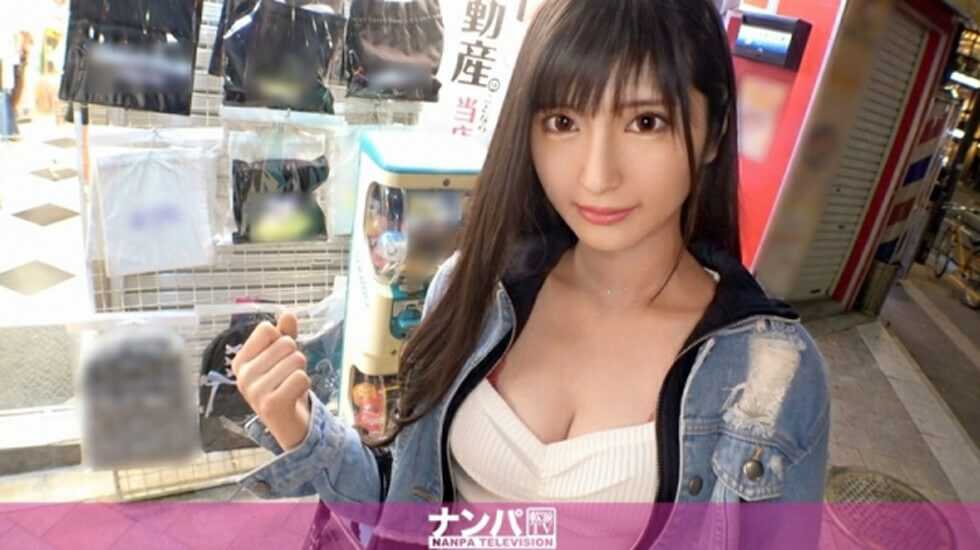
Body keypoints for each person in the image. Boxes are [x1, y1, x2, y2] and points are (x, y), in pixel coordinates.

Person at [232, 0, 830, 548]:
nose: (597, 175)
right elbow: (407, 511)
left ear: (713, 133)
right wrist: (299, 423)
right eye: (563, 121)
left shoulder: (770, 377)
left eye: (645, 122)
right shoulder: (472, 290)